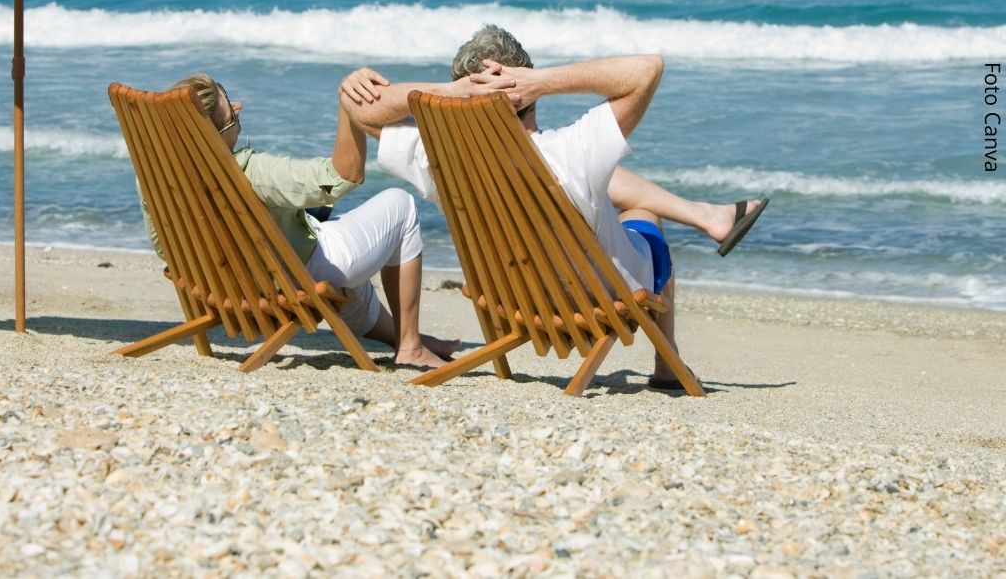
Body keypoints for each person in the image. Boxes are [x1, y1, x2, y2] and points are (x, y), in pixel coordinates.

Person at [337, 24, 769, 388]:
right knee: (641, 217)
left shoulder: (436, 159)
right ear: (526, 91)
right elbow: (646, 68)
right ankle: (666, 361)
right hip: (598, 297)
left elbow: (363, 110)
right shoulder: (573, 150)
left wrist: (448, 92)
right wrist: (541, 80)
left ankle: (707, 216)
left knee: (604, 183)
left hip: (511, 301)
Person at [136, 71, 459, 369]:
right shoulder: (250, 173)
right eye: (231, 113)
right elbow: (342, 177)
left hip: (226, 284)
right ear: (213, 136)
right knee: (399, 205)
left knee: (345, 249)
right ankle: (410, 348)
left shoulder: (152, 176)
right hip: (288, 280)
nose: (239, 106)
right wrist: (348, 108)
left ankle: (407, 338)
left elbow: (164, 249)